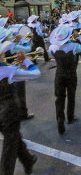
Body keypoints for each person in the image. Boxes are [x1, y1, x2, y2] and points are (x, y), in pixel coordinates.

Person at [0, 47, 40, 175]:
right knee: (9, 148)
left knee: (12, 137)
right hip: (9, 111)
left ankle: (28, 160)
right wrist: (26, 61)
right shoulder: (9, 71)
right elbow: (36, 73)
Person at [49, 26, 81, 134]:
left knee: (59, 98)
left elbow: (53, 50)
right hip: (71, 74)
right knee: (71, 96)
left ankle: (60, 120)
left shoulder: (52, 47)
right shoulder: (73, 46)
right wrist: (79, 37)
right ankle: (70, 118)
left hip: (59, 74)